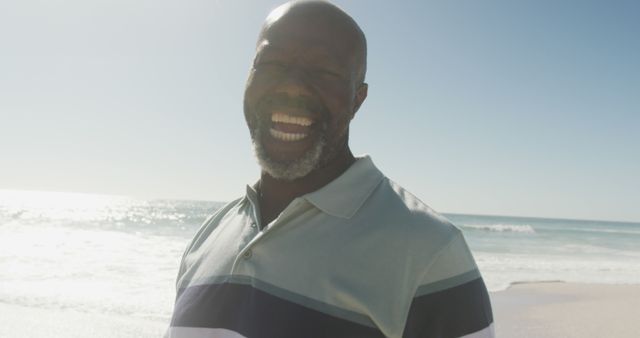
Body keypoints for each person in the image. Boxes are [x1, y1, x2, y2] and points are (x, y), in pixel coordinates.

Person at [167, 1, 493, 337]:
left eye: (324, 71)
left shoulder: (428, 251)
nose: (291, 85)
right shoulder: (209, 236)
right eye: (272, 63)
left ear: (357, 100)